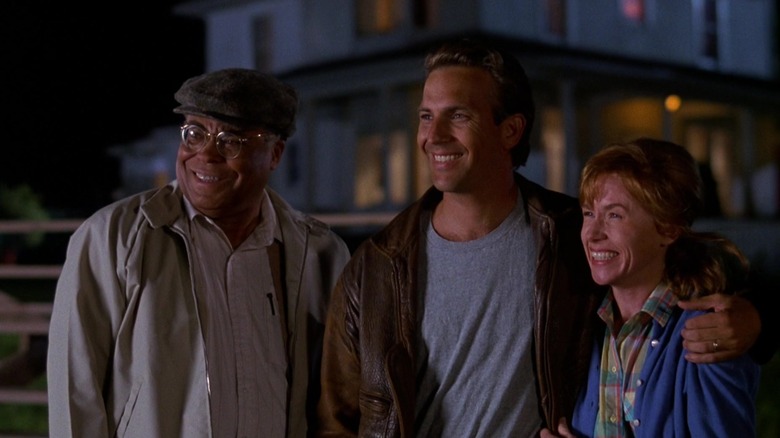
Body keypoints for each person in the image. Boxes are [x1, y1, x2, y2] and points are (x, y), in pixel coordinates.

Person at [316, 38, 771, 437]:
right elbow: (337, 422)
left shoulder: (572, 235)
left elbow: (694, 266)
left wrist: (756, 320)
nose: (433, 136)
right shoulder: (375, 268)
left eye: (458, 116)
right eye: (425, 116)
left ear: (510, 130)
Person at [47, 68, 351, 437]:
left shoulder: (318, 255)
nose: (206, 154)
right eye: (194, 134)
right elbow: (75, 392)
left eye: (231, 140)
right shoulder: (112, 238)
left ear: (275, 154)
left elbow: (336, 397)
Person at [554, 138, 760, 437]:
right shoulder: (587, 325)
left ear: (668, 228)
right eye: (589, 213)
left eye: (614, 215)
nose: (593, 233)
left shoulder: (706, 334)